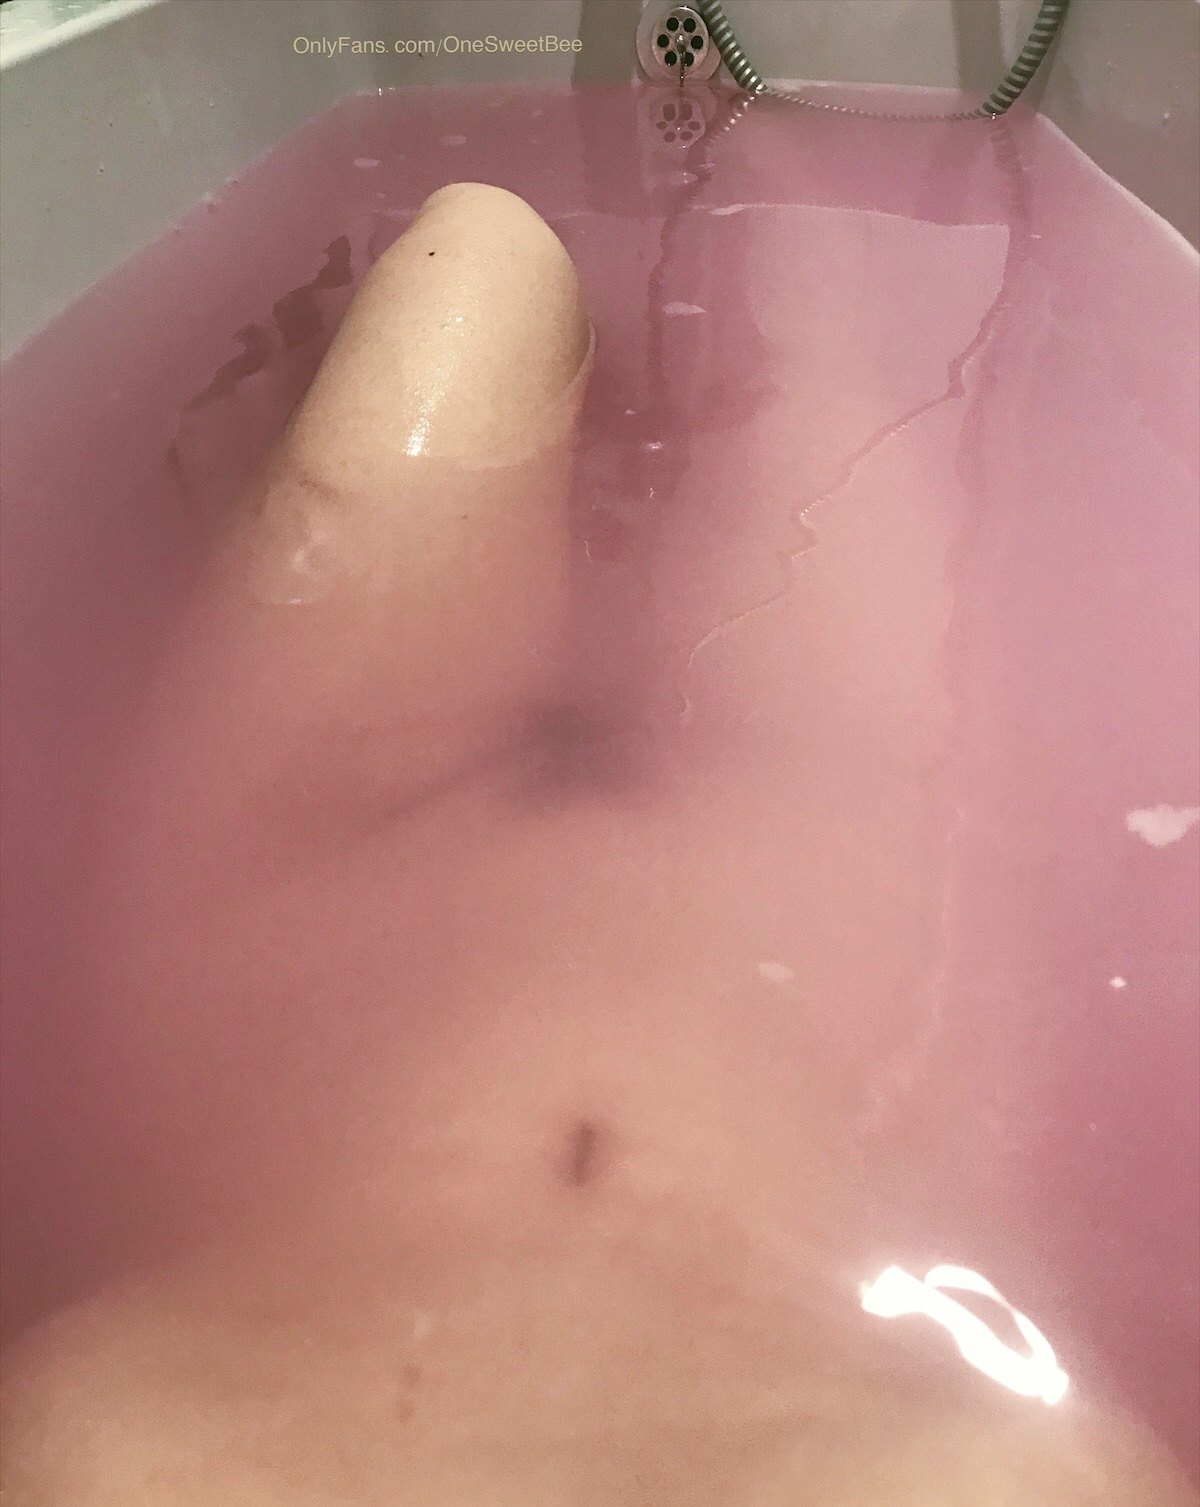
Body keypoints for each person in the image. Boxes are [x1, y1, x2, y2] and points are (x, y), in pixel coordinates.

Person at [1, 185, 1193, 1506]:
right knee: (816, 286)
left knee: (478, 261)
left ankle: (670, 266)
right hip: (847, 928)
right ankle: (730, 197)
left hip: (308, 929)